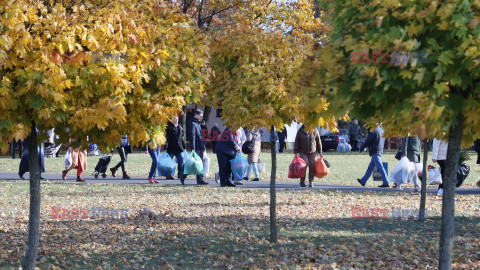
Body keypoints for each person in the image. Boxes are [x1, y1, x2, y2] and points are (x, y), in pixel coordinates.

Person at [185, 109, 208, 185]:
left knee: (199, 164)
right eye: (200, 116)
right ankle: (183, 175)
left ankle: (200, 180)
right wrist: (193, 148)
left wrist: (203, 147)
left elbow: (200, 136)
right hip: (196, 147)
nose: (202, 117)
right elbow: (193, 136)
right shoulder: (192, 123)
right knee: (195, 164)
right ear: (196, 115)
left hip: (200, 146)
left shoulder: (197, 123)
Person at [165, 116, 186, 180]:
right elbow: (167, 138)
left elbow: (181, 138)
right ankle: (169, 175)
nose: (176, 120)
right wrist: (166, 148)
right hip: (171, 147)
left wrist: (184, 146)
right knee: (169, 162)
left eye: (177, 119)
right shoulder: (169, 127)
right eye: (175, 119)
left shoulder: (179, 126)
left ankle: (181, 174)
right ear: (171, 119)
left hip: (178, 148)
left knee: (181, 160)